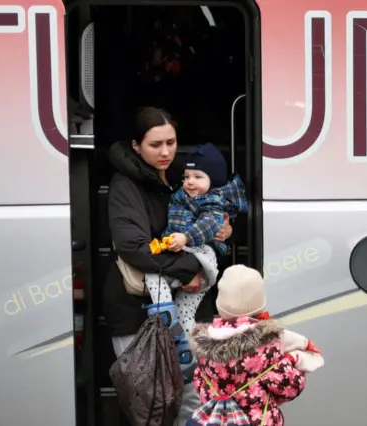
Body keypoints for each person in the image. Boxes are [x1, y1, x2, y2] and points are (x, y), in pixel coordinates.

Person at [103, 106, 232, 425]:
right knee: (153, 406)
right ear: (136, 146)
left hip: (187, 311)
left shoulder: (183, 178)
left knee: (195, 402)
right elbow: (133, 246)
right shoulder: (125, 187)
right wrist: (189, 269)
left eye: (171, 143)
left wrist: (225, 231)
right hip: (137, 314)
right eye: (155, 145)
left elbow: (209, 221)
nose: (165, 152)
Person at [145, 142, 248, 357]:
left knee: (163, 281)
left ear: (214, 181)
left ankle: (165, 314)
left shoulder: (214, 202)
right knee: (180, 307)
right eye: (187, 176)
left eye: (198, 177)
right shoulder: (182, 196)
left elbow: (208, 225)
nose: (190, 182)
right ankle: (178, 334)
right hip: (183, 252)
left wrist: (185, 237)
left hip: (202, 256)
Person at [189, 265, 312, 426]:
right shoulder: (267, 346)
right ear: (260, 305)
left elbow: (199, 385)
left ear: (220, 304)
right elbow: (290, 388)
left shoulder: (204, 345)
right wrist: (292, 361)